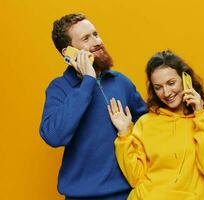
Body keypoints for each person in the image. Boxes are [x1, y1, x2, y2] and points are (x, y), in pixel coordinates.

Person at [39, 13, 147, 200]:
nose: (97, 41)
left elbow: (150, 126)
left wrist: (128, 131)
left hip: (128, 194)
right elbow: (54, 136)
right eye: (86, 38)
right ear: (68, 52)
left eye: (96, 34)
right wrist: (88, 80)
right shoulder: (59, 88)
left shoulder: (120, 82)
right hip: (81, 196)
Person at [108, 50, 204, 200]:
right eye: (158, 87)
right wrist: (124, 135)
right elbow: (135, 178)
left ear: (186, 79)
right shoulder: (146, 123)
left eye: (171, 83)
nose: (166, 92)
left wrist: (199, 114)